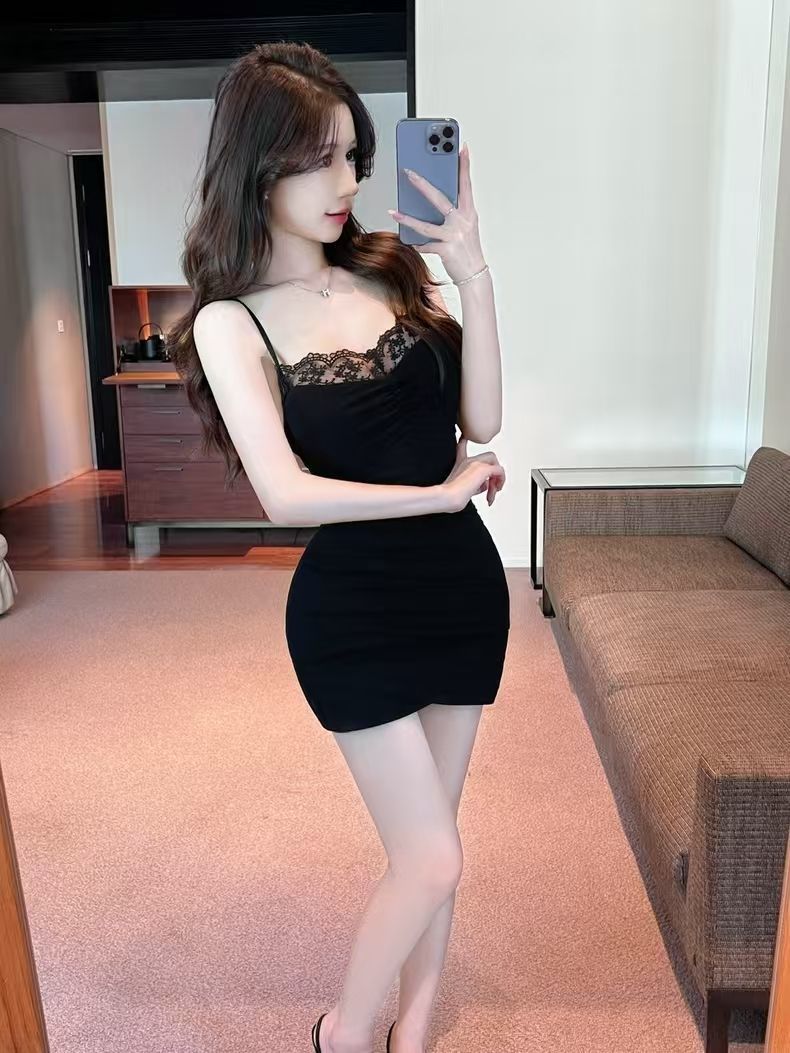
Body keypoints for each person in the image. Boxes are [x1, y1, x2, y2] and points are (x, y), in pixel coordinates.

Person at [169, 40, 509, 1053]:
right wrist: (437, 496)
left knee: (435, 847)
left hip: (460, 592)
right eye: (319, 159)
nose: (347, 182)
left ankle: (413, 1035)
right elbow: (283, 494)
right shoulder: (230, 324)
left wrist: (473, 272)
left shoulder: (390, 271)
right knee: (431, 858)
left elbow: (483, 420)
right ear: (257, 168)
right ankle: (343, 1033)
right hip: (352, 611)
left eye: (353, 155)